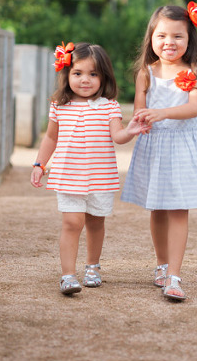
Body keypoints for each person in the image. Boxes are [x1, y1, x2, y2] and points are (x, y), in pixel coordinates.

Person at [121, 2, 197, 301]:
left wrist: (160, 113)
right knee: (157, 207)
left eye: (178, 36)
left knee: (178, 208)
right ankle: (161, 265)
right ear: (151, 37)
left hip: (182, 144)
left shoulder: (195, 71)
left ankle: (175, 274)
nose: (169, 42)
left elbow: (193, 107)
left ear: (190, 40)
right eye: (162, 35)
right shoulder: (145, 72)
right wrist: (140, 119)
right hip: (155, 144)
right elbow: (139, 106)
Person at [31, 41, 143, 295]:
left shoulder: (108, 106)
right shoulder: (59, 105)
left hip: (99, 177)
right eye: (78, 73)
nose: (85, 80)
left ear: (104, 78)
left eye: (93, 74)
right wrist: (40, 164)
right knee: (72, 222)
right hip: (68, 174)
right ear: (66, 74)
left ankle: (92, 267)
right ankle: (68, 275)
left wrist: (131, 131)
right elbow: (50, 138)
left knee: (95, 222)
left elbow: (118, 136)